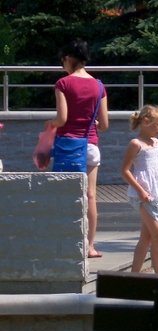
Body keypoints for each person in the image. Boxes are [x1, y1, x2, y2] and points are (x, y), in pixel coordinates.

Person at [47, 38, 108, 258]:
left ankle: (65, 241)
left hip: (68, 146)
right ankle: (90, 246)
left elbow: (62, 119)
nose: (62, 64)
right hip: (90, 145)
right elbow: (105, 124)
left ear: (70, 58)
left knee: (65, 194)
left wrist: (50, 124)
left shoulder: (63, 84)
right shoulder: (99, 86)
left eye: (63, 60)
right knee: (91, 196)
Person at [121, 105, 158, 274]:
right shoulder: (136, 144)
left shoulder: (155, 143)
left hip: (155, 193)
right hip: (142, 195)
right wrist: (141, 191)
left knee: (147, 237)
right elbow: (125, 171)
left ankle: (134, 275)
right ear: (145, 122)